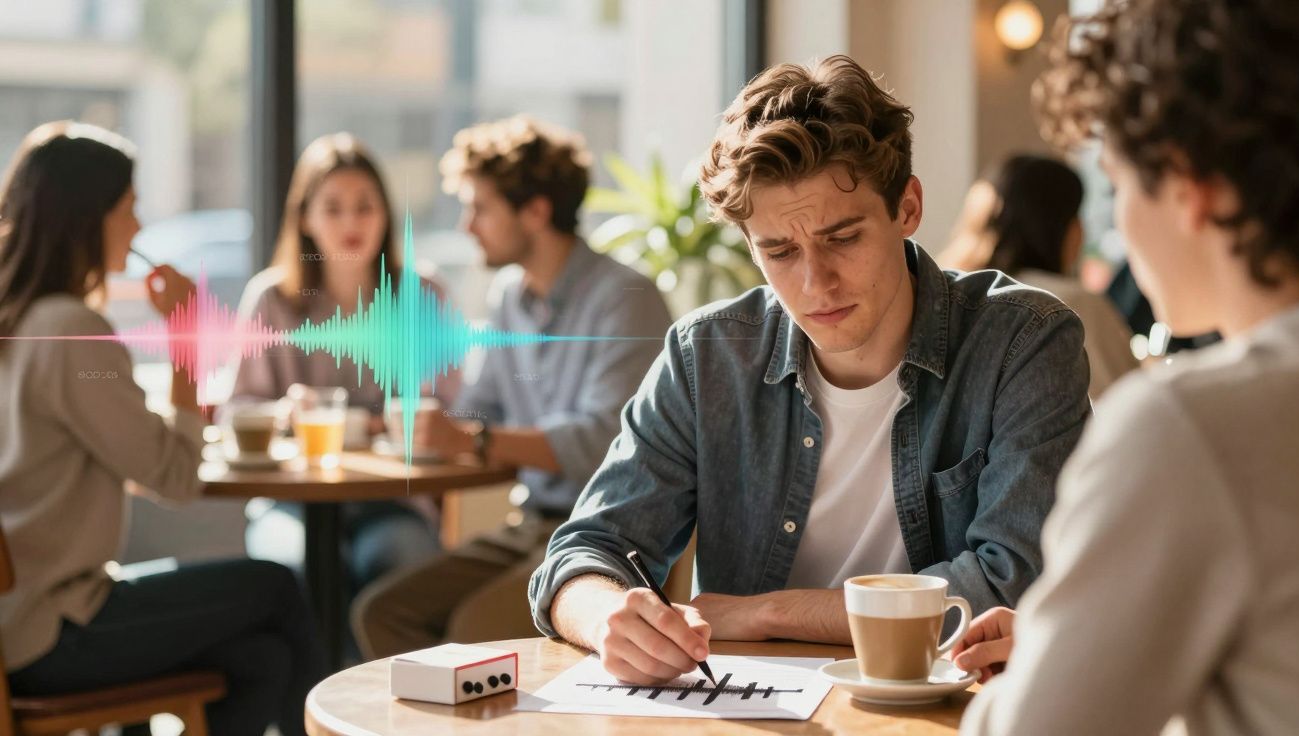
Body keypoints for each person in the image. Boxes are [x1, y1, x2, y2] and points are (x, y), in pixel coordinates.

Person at [529, 55, 1093, 686]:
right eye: (779, 250)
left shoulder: (1023, 342)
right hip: (750, 717)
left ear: (907, 208)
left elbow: (1011, 583)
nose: (814, 282)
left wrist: (769, 613)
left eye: (843, 238)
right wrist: (609, 616)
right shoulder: (706, 356)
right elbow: (580, 556)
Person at [956, 1, 1299, 733]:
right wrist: (1092, 637)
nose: (1115, 224)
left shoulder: (1189, 426)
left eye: (1116, 186)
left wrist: (1049, 668)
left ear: (1189, 185)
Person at [0, 121, 326, 736]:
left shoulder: (17, 321)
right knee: (276, 587)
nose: (140, 225)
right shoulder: (71, 331)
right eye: (128, 207)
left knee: (261, 661)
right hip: (55, 626)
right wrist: (183, 340)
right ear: (86, 217)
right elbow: (175, 478)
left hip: (17, 622)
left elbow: (133, 464)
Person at [351, 116, 673, 658]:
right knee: (384, 613)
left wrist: (472, 439)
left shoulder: (625, 296)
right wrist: (426, 417)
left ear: (536, 211)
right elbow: (479, 409)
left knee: (473, 629)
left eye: (479, 208)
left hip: (608, 538)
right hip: (534, 526)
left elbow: (601, 441)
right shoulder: (509, 296)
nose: (466, 226)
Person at [233, 133, 459, 595]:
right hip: (292, 498)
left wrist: (390, 425)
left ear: (386, 215)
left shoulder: (422, 294)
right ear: (306, 218)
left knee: (400, 561)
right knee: (295, 568)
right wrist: (285, 414)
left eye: (365, 206)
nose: (351, 221)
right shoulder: (271, 299)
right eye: (333, 207)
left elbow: (455, 409)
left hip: (395, 500)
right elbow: (236, 408)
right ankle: (317, 673)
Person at [942, 154, 1138, 399]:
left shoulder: (949, 300)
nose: (1082, 230)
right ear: (1059, 225)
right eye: (1077, 215)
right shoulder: (1074, 305)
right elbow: (1128, 403)